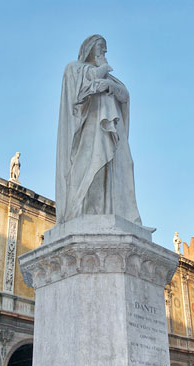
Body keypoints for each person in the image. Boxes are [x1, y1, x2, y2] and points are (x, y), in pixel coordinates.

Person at [55, 34, 141, 225]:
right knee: (90, 167)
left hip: (113, 135)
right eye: (100, 47)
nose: (104, 51)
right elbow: (77, 92)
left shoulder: (113, 79)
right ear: (89, 49)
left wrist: (109, 85)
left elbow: (125, 95)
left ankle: (116, 212)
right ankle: (86, 211)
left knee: (121, 167)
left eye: (105, 48)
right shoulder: (74, 68)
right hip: (89, 130)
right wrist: (100, 75)